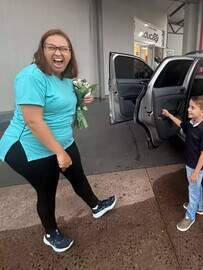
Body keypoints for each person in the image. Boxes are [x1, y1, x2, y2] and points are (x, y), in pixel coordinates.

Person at [0, 29, 116, 252]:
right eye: (52, 47)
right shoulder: (31, 76)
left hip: (63, 140)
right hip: (29, 146)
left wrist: (82, 98)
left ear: (70, 53)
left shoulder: (64, 77)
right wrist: (59, 153)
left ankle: (96, 206)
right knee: (47, 190)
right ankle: (50, 233)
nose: (58, 53)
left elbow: (63, 104)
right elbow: (33, 121)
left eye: (64, 48)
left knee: (78, 176)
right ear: (41, 51)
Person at [162, 95, 203, 232]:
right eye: (189, 106)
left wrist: (196, 172)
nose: (188, 110)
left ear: (202, 112)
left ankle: (190, 216)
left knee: (193, 190)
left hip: (195, 167)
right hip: (190, 163)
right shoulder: (191, 123)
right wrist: (169, 115)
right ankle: (199, 208)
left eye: (192, 108)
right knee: (197, 188)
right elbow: (181, 124)